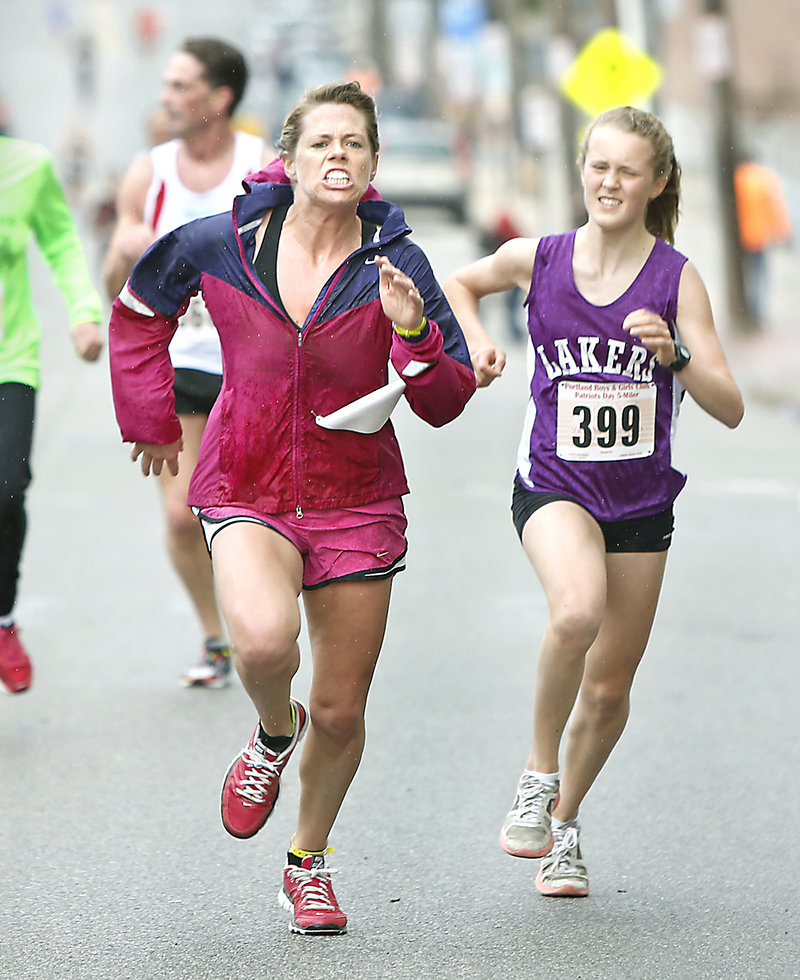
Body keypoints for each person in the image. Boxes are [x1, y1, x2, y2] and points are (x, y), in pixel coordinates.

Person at [108, 81, 475, 934]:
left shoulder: (399, 266)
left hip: (358, 498)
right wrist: (152, 417)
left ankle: (308, 862)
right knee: (266, 642)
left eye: (354, 144)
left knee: (343, 710)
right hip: (247, 477)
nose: (338, 155)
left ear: (374, 164)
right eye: (323, 143)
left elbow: (447, 400)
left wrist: (416, 334)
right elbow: (138, 313)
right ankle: (274, 732)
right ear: (290, 159)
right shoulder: (222, 243)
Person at [444, 106, 743, 898]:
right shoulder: (538, 258)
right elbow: (460, 284)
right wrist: (473, 340)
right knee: (575, 611)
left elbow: (730, 403)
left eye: (627, 170)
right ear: (582, 170)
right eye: (598, 166)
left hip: (641, 503)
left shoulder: (676, 278)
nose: (609, 182)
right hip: (553, 484)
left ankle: (564, 827)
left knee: (610, 690)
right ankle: (538, 776)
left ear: (657, 183)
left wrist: (674, 355)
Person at [103, 38, 270, 688]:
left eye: (180, 86)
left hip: (252, 362)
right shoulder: (150, 173)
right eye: (166, 85)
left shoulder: (262, 169)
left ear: (218, 98)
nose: (166, 98)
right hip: (177, 361)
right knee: (180, 514)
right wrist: (125, 250)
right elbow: (116, 285)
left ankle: (265, 622)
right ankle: (215, 635)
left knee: (250, 506)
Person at [0, 135, 103, 694]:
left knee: (7, 489)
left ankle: (2, 618)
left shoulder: (26, 167)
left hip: (8, 362)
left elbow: (62, 242)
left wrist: (83, 312)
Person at [733, 156, 792, 326]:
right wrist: (782, 232)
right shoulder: (764, 177)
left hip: (740, 236)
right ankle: (757, 310)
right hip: (758, 236)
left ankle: (749, 307)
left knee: (747, 273)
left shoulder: (737, 178)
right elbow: (774, 207)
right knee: (759, 274)